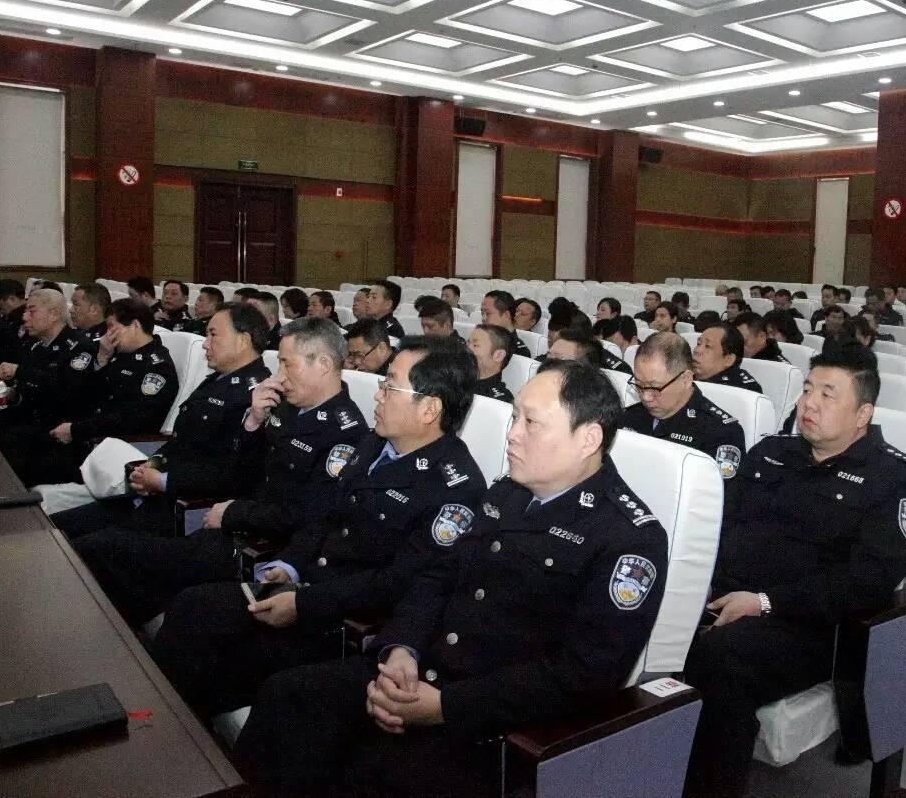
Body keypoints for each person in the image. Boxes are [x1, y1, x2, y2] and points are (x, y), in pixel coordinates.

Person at [233, 361, 667, 792]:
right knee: (288, 697)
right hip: (424, 672)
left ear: (588, 438)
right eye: (514, 417)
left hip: (491, 724)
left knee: (367, 774)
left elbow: (582, 676)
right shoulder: (507, 492)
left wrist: (445, 706)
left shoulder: (629, 539)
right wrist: (401, 650)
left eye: (531, 422)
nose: (512, 434)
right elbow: (438, 575)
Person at [150, 337, 487, 716]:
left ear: (429, 409)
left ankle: (178, 729)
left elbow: (395, 583)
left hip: (342, 620)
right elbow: (325, 513)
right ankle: (157, 717)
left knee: (230, 663)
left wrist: (302, 603)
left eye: (390, 386)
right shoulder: (373, 444)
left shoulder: (455, 487)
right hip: (304, 586)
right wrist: (291, 565)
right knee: (194, 605)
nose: (378, 396)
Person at [683, 342, 906, 798]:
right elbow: (719, 523)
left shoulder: (892, 477)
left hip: (808, 624)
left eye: (827, 395)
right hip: (724, 594)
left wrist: (764, 602)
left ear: (863, 414)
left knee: (719, 658)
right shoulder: (772, 451)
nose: (808, 403)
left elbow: (869, 579)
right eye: (808, 390)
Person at [71, 318, 369, 625]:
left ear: (323, 364)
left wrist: (232, 512)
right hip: (228, 528)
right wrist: (253, 422)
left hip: (259, 549)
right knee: (106, 553)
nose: (279, 376)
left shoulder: (345, 433)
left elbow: (305, 516)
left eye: (286, 364)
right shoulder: (283, 406)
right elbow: (242, 474)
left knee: (108, 551)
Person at [50, 303, 272, 539]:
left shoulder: (257, 397)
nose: (205, 344)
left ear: (243, 340)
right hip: (158, 495)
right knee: (58, 525)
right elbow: (180, 441)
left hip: (187, 510)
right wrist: (152, 464)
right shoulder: (217, 381)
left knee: (82, 544)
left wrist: (163, 480)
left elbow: (232, 475)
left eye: (213, 335)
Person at [4, 298, 178, 487]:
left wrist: (75, 430)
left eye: (111, 327)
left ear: (135, 325)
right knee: (18, 436)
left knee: (28, 454)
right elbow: (86, 395)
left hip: (109, 446)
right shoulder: (119, 355)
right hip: (87, 433)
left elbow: (130, 420)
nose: (106, 335)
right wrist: (102, 359)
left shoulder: (157, 367)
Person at [0, 288, 96, 459]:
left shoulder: (79, 347)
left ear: (54, 314)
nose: (24, 317)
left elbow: (65, 391)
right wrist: (12, 395)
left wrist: (19, 371)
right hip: (30, 423)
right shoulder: (35, 345)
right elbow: (30, 391)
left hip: (59, 431)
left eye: (32, 311)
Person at [620, 332, 745, 479]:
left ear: (686, 379)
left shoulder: (720, 433)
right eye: (639, 385)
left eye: (655, 388)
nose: (646, 397)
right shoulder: (628, 416)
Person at [693, 323, 762, 393]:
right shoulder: (689, 374)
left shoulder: (741, 391)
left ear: (728, 360)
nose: (696, 350)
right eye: (698, 344)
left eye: (708, 346)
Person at [467, 323, 513, 403]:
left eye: (475, 345)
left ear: (498, 355)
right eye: (467, 343)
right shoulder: (457, 379)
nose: (466, 349)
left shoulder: (499, 401)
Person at [481, 291, 532, 358]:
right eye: (482, 313)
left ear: (506, 315)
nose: (483, 318)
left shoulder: (519, 352)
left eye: (488, 313)